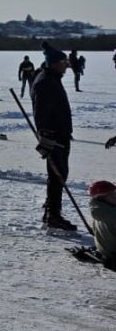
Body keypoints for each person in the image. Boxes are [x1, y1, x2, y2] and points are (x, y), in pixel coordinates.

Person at [32, 41, 77, 232]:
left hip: (61, 135)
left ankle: (51, 209)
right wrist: (47, 136)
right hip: (55, 137)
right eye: (63, 62)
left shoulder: (52, 77)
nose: (66, 65)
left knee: (60, 174)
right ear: (54, 63)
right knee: (57, 175)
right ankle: (53, 215)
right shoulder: (45, 82)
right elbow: (41, 112)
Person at [88, 180, 116, 265]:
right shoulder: (111, 214)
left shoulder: (99, 209)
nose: (115, 196)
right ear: (103, 198)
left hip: (105, 249)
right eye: (112, 194)